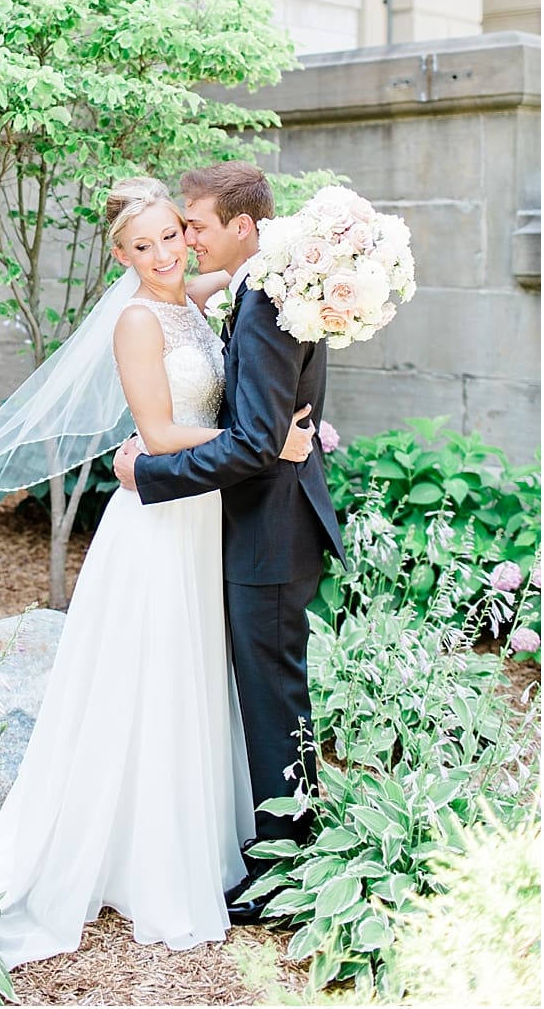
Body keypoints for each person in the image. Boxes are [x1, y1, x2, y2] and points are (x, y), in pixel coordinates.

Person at [0, 177, 314, 966]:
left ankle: (203, 826)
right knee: (146, 671)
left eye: (171, 236)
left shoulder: (199, 296)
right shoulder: (137, 320)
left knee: (190, 669)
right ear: (119, 256)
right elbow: (152, 431)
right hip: (158, 519)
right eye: (140, 245)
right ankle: (133, 847)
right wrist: (263, 441)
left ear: (191, 238)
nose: (159, 254)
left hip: (205, 513)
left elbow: (254, 275)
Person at [116, 160, 345, 921]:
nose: (183, 238)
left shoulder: (269, 297)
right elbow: (263, 423)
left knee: (274, 698)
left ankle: (284, 868)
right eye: (163, 231)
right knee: (268, 694)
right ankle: (282, 843)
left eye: (195, 225)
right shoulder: (252, 286)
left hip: (268, 530)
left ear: (241, 226)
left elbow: (255, 441)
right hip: (249, 522)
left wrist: (147, 471)